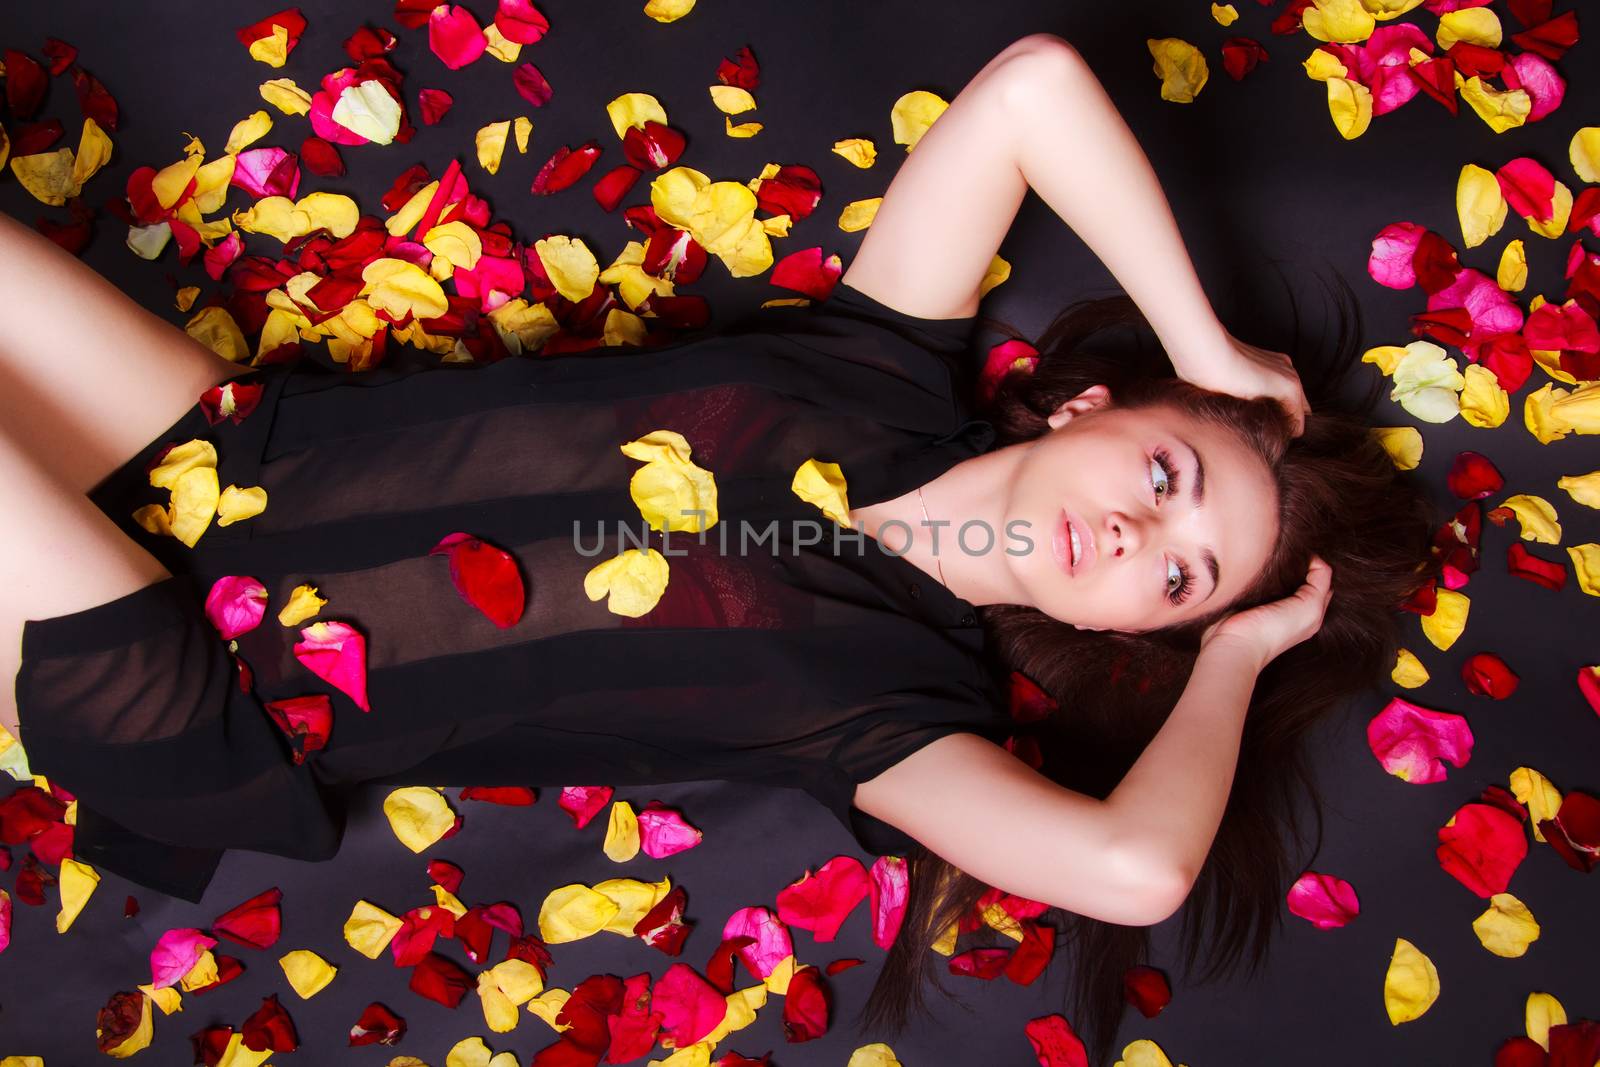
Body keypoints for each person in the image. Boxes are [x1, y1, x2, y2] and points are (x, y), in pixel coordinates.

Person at [1, 33, 1434, 1063]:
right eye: (1172, 475)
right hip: (224, 448)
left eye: (1175, 579)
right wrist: (1211, 349)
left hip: (202, 696)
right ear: (1092, 404)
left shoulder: (898, 718)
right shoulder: (871, 364)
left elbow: (1137, 874)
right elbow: (1033, 89)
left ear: (1133, 631)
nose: (1136, 536)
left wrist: (1240, 652)